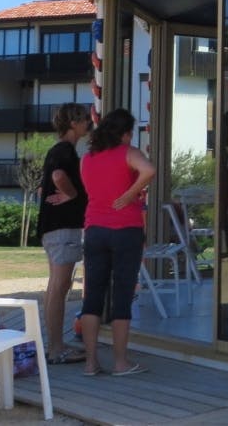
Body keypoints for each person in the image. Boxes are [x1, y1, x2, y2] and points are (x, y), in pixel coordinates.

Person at [79, 107, 157, 376]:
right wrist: (130, 194)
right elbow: (149, 170)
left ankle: (91, 363)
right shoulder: (129, 153)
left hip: (94, 230)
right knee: (122, 296)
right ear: (125, 133)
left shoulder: (87, 158)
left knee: (93, 297)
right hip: (125, 229)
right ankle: (121, 362)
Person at [36, 102, 91, 365]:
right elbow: (58, 176)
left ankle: (54, 344)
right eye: (83, 120)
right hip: (63, 228)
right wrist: (72, 194)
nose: (87, 124)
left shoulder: (56, 151)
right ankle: (57, 349)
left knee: (54, 287)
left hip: (51, 228)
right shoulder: (66, 152)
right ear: (73, 123)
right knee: (59, 287)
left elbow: (42, 187)